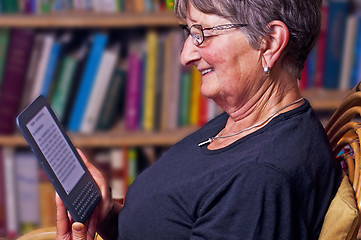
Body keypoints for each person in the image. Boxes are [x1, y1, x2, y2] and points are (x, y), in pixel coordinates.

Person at [56, 0, 341, 239]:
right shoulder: (244, 122)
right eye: (189, 32)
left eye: (203, 33)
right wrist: (107, 215)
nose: (185, 55)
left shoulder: (259, 180)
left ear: (269, 43)